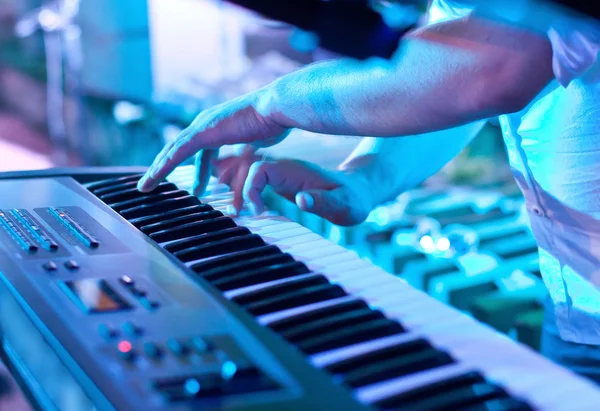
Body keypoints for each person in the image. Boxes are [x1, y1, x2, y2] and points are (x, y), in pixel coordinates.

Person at [138, 0, 600, 383]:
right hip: (575, 307)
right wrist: (368, 176)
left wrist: (272, 105)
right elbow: (449, 62)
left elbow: (497, 68)